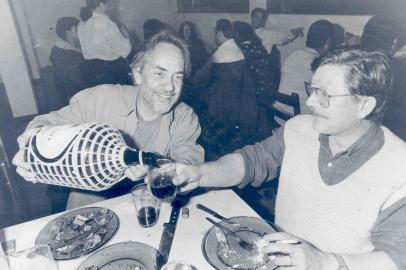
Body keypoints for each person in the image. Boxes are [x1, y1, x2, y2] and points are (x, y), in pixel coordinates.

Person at [174, 49, 406, 270]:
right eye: (312, 90)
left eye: (324, 95)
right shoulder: (299, 129)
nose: (311, 102)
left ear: (365, 105)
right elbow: (251, 162)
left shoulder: (398, 168)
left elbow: (397, 259)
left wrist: (323, 262)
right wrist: (200, 173)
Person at [13, 31, 204, 210]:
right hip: (91, 214)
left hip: (150, 210)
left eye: (177, 77)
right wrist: (30, 145)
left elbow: (187, 163)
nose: (169, 87)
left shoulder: (185, 118)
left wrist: (162, 171)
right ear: (138, 74)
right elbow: (44, 125)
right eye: (159, 74)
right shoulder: (100, 99)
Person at [276, 19, 334, 117]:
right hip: (298, 117)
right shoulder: (318, 65)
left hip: (279, 112)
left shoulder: (294, 55)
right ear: (327, 43)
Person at [233, 21, 276, 139]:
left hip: (252, 97)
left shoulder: (242, 50)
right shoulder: (258, 47)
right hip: (265, 94)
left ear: (236, 34)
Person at [78, 0, 132, 86]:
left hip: (93, 75)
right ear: (102, 5)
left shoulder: (81, 25)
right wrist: (123, 32)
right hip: (114, 75)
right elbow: (125, 51)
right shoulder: (107, 24)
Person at [49, 17, 87, 104]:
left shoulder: (62, 51)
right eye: (77, 29)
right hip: (79, 99)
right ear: (68, 32)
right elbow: (78, 82)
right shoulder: (69, 55)